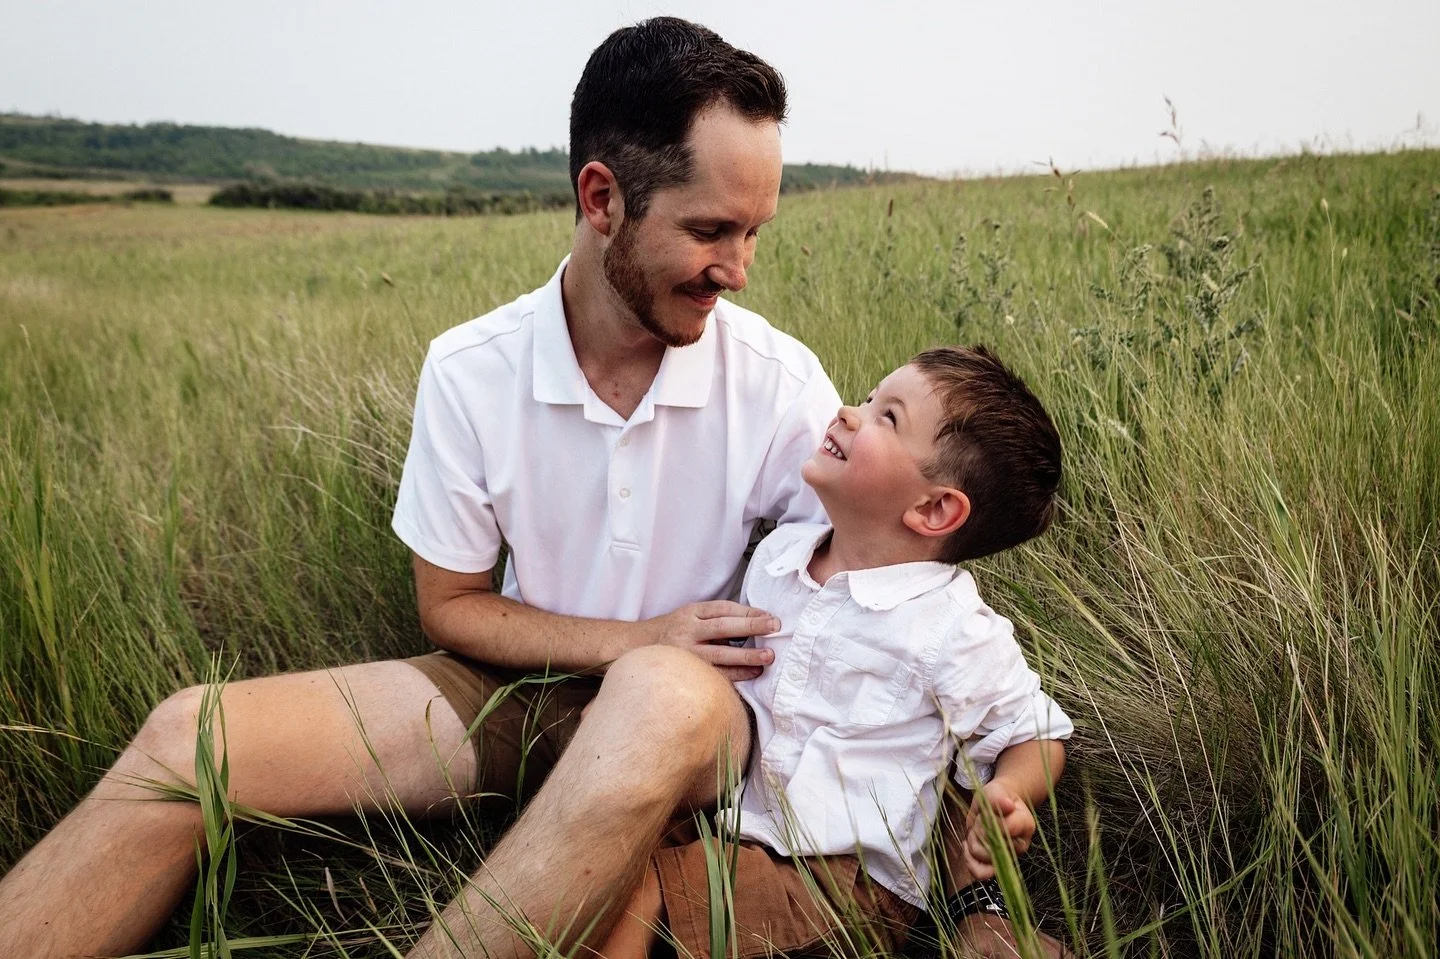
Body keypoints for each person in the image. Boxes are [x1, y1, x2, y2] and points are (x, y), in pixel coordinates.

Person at [0, 18, 1058, 959]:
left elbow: (884, 605)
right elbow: (449, 605)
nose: (739, 266)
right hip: (518, 691)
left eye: (753, 232)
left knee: (658, 692)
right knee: (193, 736)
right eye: (709, 230)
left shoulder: (780, 383)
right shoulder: (474, 369)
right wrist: (635, 634)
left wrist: (973, 882)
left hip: (698, 720)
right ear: (602, 197)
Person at [594, 346, 1075, 959]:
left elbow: (1032, 730)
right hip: (738, 825)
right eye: (870, 398)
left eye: (888, 418)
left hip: (841, 881)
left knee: (633, 892)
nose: (850, 412)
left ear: (933, 509)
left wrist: (1008, 792)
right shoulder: (781, 557)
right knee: (612, 847)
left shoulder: (948, 628)